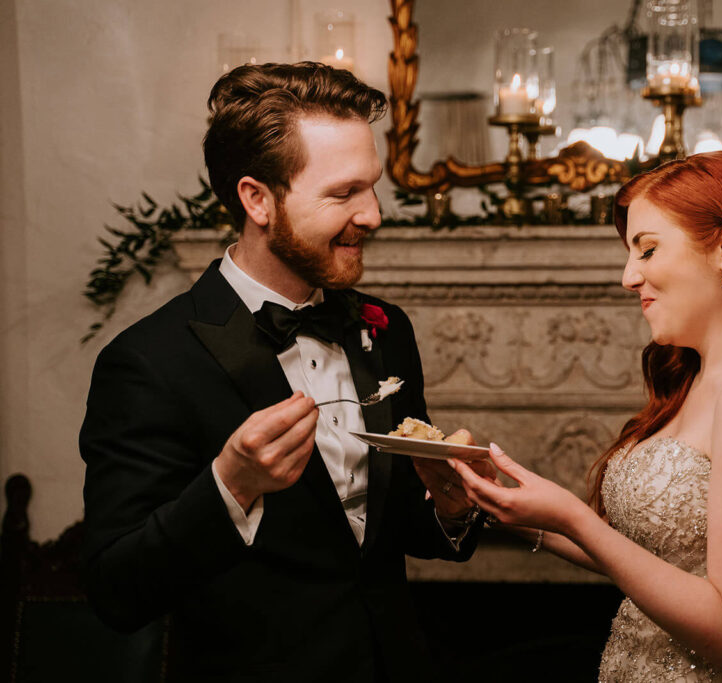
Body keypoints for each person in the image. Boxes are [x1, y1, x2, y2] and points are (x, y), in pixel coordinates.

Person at [80, 62, 487, 682]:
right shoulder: (149, 363)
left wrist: (451, 509)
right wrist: (230, 485)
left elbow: (390, 524)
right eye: (344, 193)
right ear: (258, 199)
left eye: (372, 188)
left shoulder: (385, 329)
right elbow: (117, 590)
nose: (373, 215)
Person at [450, 151, 722, 681]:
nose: (628, 277)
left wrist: (572, 515)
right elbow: (660, 561)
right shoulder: (697, 378)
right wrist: (505, 505)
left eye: (646, 249)